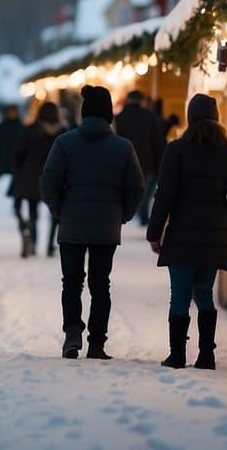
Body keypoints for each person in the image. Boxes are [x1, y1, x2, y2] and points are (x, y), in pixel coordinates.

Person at [40, 85, 144, 360]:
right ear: (109, 114)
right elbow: (137, 187)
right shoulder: (123, 147)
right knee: (101, 285)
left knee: (71, 282)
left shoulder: (64, 143)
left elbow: (48, 183)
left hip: (71, 224)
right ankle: (97, 342)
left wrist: (60, 212)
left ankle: (72, 334)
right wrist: (122, 215)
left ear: (83, 112)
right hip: (106, 227)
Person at [146, 94, 227, 370]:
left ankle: (177, 354)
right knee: (204, 293)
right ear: (216, 118)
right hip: (213, 235)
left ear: (189, 118)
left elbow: (165, 193)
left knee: (179, 295)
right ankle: (206, 355)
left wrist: (155, 232)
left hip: (181, 235)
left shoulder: (176, 150)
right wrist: (225, 218)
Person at [11, 102, 63, 258]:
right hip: (55, 179)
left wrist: (19, 172)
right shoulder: (63, 133)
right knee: (55, 215)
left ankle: (33, 243)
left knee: (33, 213)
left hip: (32, 178)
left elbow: (18, 155)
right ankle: (49, 245)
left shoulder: (29, 130)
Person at [115, 90, 166, 226]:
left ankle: (129, 214)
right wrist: (160, 164)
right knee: (145, 191)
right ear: (142, 101)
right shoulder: (151, 117)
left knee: (129, 188)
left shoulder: (118, 118)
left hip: (126, 162)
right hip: (148, 162)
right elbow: (159, 142)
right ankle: (142, 215)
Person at [0, 104, 22, 183]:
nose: (12, 113)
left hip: (16, 168)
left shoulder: (21, 128)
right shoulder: (1, 127)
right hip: (2, 167)